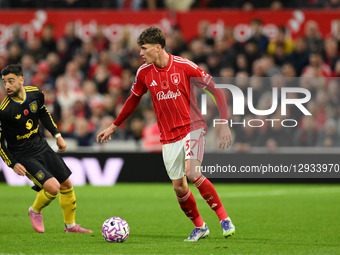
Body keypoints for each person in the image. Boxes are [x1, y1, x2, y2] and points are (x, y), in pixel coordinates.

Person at [97, 27, 235, 242]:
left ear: (158, 47)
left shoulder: (185, 66)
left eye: (144, 48)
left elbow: (215, 90)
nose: (141, 53)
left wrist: (224, 122)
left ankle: (224, 219)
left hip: (193, 127)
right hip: (168, 136)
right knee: (179, 187)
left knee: (192, 173)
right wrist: (114, 125)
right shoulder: (144, 72)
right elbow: (133, 99)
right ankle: (200, 227)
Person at [0, 64, 92, 234]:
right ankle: (35, 210)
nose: (7, 86)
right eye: (4, 82)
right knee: (52, 187)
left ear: (22, 79)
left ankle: (70, 226)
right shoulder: (4, 111)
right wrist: (12, 164)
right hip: (23, 155)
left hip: (41, 146)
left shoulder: (35, 93)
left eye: (11, 81)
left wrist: (57, 135)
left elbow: (43, 113)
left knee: (66, 184)